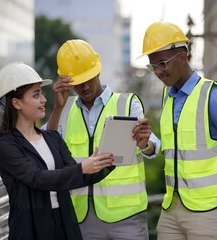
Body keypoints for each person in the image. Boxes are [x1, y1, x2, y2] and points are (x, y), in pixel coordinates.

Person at [139, 22, 217, 240]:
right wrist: (148, 144)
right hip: (172, 209)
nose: (158, 71)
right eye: (153, 66)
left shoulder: (215, 97)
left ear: (182, 57)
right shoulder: (168, 97)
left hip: (211, 213)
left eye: (162, 63)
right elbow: (177, 149)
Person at [45, 39, 160, 239]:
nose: (84, 86)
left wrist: (145, 144)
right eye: (77, 82)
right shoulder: (64, 110)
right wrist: (57, 107)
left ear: (97, 70)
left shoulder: (127, 103)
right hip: (83, 216)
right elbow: (45, 144)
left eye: (88, 78)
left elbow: (153, 145)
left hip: (127, 216)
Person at [0, 62, 115, 240]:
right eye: (36, 95)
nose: (44, 100)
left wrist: (108, 161)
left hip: (64, 224)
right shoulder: (5, 145)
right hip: (30, 229)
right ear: (16, 103)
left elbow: (76, 177)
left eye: (41, 93)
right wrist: (82, 168)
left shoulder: (52, 138)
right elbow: (36, 177)